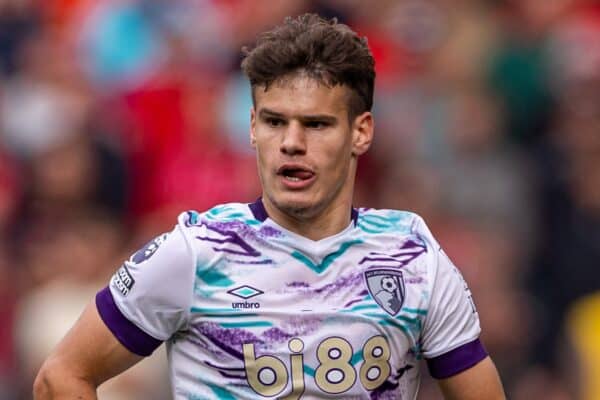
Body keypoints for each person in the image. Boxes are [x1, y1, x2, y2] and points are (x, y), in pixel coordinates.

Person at [34, 13, 505, 399]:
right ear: (253, 127)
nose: (292, 143)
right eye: (276, 122)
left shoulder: (412, 255)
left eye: (317, 125)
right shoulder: (195, 253)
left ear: (360, 132)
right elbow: (62, 377)